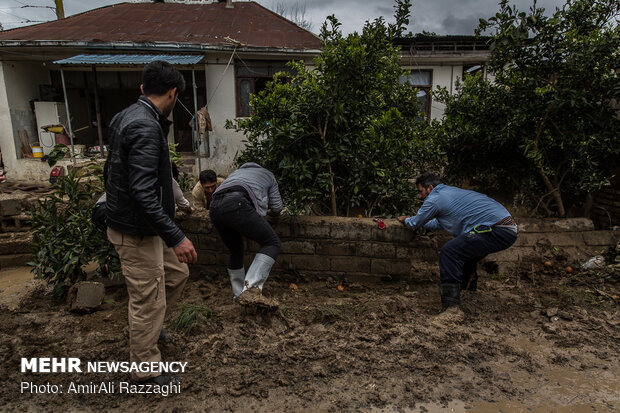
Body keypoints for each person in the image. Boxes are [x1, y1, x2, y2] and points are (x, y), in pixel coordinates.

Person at [104, 61, 197, 385]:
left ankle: (149, 327)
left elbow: (113, 173)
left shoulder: (128, 117)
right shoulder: (144, 127)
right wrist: (177, 237)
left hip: (144, 226)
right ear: (173, 93)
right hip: (136, 231)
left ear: (143, 89)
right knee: (148, 299)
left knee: (176, 275)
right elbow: (144, 193)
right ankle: (144, 369)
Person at [398, 172, 518, 314]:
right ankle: (468, 291)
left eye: (420, 191)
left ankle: (451, 307)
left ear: (430, 188)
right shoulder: (450, 193)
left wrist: (405, 219)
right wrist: (421, 223)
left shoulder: (435, 198)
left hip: (496, 229)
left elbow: (415, 223)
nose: (419, 196)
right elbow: (438, 223)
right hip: (506, 229)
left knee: (450, 251)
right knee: (464, 252)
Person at [209, 162, 282, 301]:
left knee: (236, 249)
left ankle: (239, 295)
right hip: (237, 203)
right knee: (272, 243)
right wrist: (268, 214)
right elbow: (277, 207)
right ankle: (250, 292)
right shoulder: (268, 174)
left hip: (214, 207)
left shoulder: (235, 174)